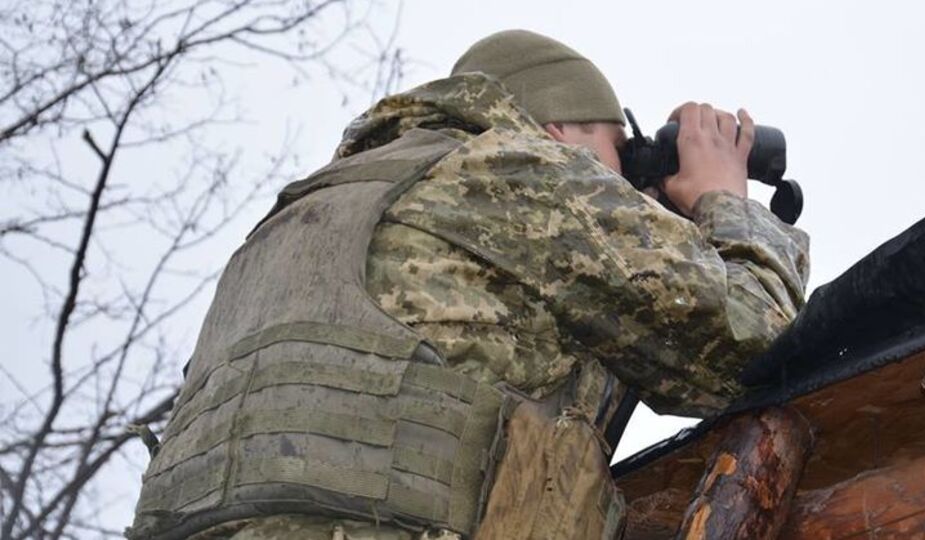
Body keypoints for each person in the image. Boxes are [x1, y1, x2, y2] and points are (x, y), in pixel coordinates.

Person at [128, 30, 808, 540]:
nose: (620, 186)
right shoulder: (514, 168)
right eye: (612, 154)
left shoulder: (291, 223)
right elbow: (754, 348)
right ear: (555, 132)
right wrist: (726, 200)